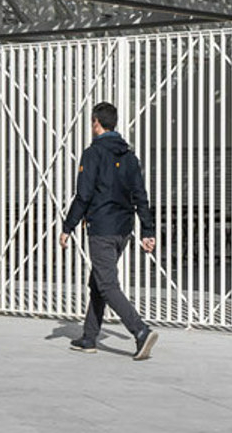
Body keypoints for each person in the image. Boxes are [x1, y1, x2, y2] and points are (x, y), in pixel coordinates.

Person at [59, 101, 159, 359]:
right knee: (98, 282)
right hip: (123, 229)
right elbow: (140, 195)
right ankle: (89, 336)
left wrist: (68, 227)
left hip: (101, 228)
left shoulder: (93, 154)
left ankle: (140, 331)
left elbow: (83, 195)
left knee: (107, 284)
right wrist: (147, 231)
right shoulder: (129, 156)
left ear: (95, 123)